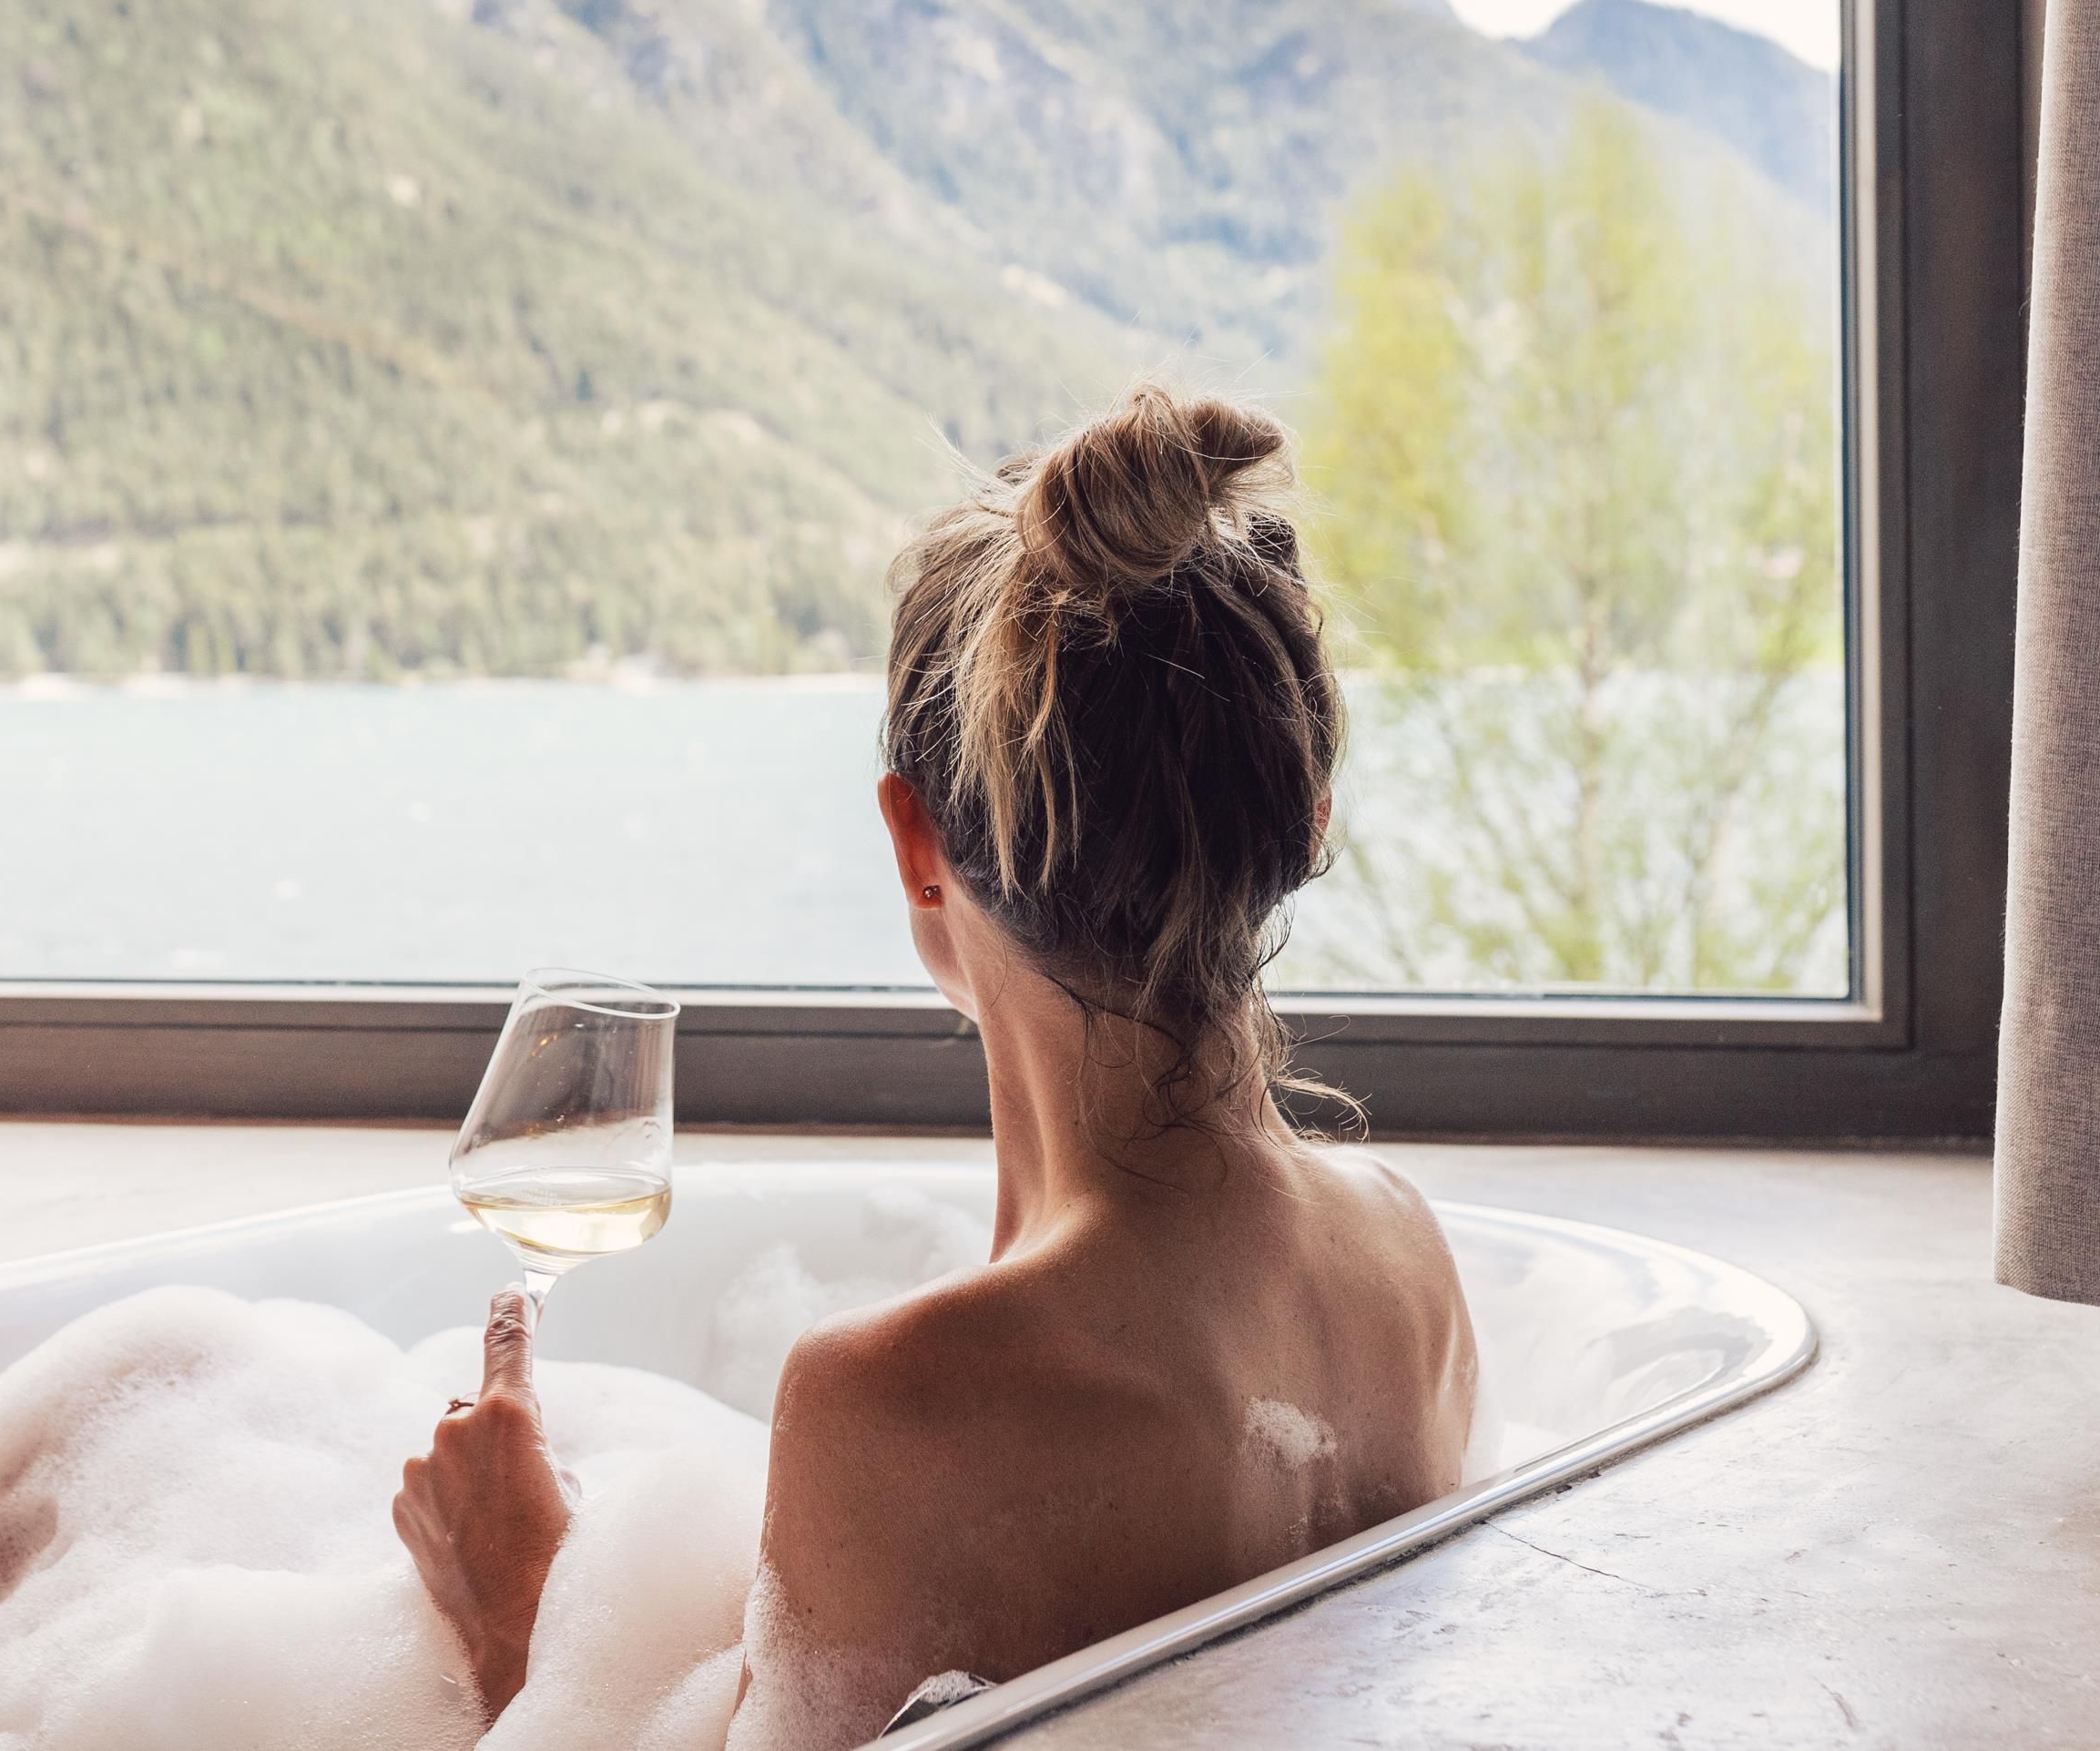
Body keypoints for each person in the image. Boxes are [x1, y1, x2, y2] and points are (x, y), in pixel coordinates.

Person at [395, 384, 1481, 1746]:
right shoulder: (1411, 1266)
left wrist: (519, 1610)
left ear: (915, 845)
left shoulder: (896, 1410)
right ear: (1309, 810)